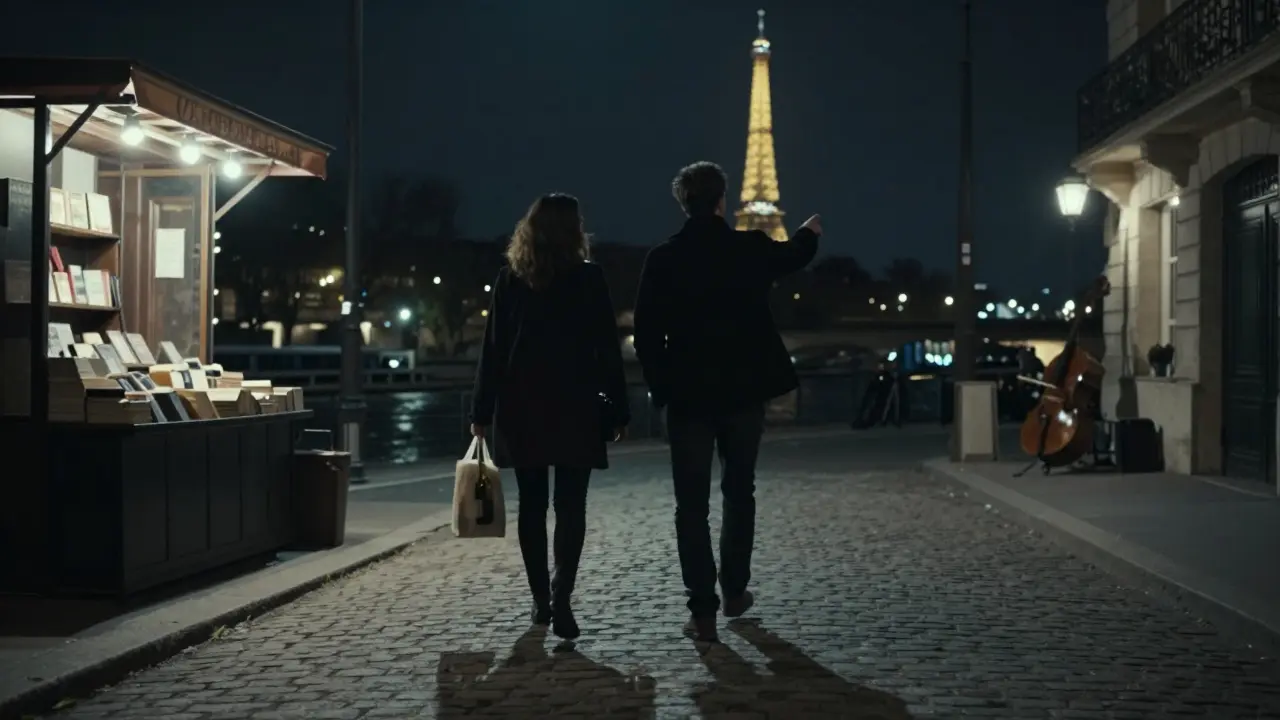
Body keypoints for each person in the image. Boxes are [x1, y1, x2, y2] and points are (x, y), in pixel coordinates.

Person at [632, 161, 822, 642]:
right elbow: (791, 256)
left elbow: (648, 335)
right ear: (722, 200)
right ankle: (735, 590)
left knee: (690, 505)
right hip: (742, 393)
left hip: (689, 397)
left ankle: (702, 611)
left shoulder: (663, 259)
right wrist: (808, 233)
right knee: (740, 492)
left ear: (683, 203)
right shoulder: (747, 248)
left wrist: (661, 390)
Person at [470, 193, 630, 641]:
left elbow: (493, 352)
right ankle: (563, 598)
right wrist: (619, 407)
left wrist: (480, 411)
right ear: (575, 231)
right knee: (571, 506)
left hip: (522, 405)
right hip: (576, 403)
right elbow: (606, 350)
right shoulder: (590, 279)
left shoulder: (510, 281)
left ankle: (540, 599)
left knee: (533, 506)